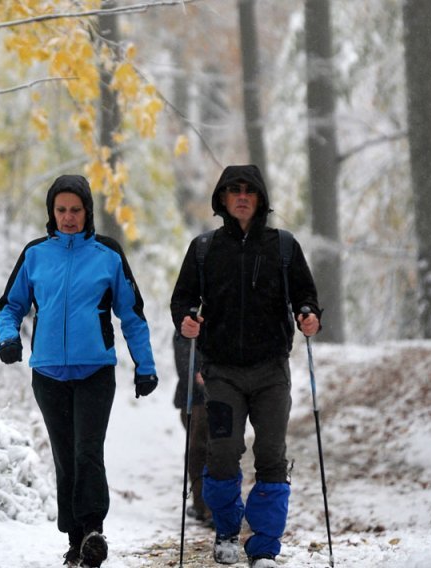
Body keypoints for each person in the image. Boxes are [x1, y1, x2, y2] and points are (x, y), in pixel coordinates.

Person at [0, 174, 159, 568]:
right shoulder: (35, 254)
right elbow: (9, 305)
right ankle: (75, 541)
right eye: (62, 210)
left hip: (95, 371)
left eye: (76, 210)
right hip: (48, 373)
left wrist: (145, 365)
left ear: (88, 211)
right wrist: (9, 338)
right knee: (65, 456)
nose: (69, 218)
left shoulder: (108, 255)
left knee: (88, 451)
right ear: (52, 213)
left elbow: (132, 315)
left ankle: (92, 532)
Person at [170, 164, 321, 568]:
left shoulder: (284, 247)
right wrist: (185, 318)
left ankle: (265, 547)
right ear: (222, 198)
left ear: (260, 198)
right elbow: (182, 299)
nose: (241, 196)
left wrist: (308, 314)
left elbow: (306, 295)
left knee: (271, 453)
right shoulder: (203, 249)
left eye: (248, 191)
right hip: (221, 372)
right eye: (233, 190)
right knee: (222, 453)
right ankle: (225, 532)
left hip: (272, 370)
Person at [172, 331, 212, 526]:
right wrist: (193, 370)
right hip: (194, 395)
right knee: (199, 450)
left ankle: (209, 507)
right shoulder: (188, 315)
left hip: (215, 391)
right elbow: (182, 349)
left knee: (202, 449)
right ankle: (203, 504)